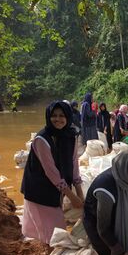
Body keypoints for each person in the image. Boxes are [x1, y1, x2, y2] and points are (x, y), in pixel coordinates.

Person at [21, 101, 84, 244]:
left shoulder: (70, 135)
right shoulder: (42, 139)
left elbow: (74, 162)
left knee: (53, 222)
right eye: (54, 115)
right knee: (53, 228)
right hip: (40, 187)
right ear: (48, 117)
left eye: (62, 115)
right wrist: (72, 197)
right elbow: (51, 172)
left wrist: (79, 190)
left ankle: (49, 246)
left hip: (56, 187)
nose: (58, 119)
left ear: (68, 116)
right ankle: (48, 250)